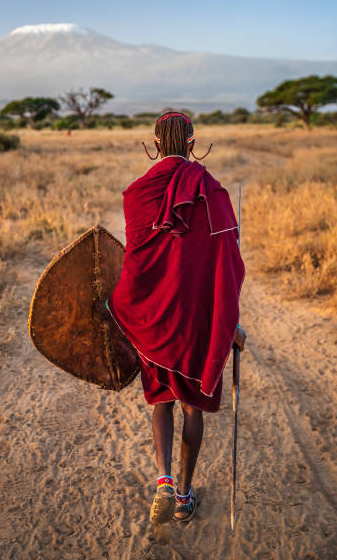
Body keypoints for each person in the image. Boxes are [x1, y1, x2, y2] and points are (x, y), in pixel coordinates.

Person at [105, 112, 246, 524]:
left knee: (161, 402)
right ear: (191, 141)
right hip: (195, 326)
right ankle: (184, 497)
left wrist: (127, 310)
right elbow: (226, 269)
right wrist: (228, 325)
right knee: (191, 408)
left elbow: (137, 266)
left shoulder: (137, 194)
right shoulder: (213, 192)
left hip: (153, 322)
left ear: (154, 142)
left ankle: (163, 480)